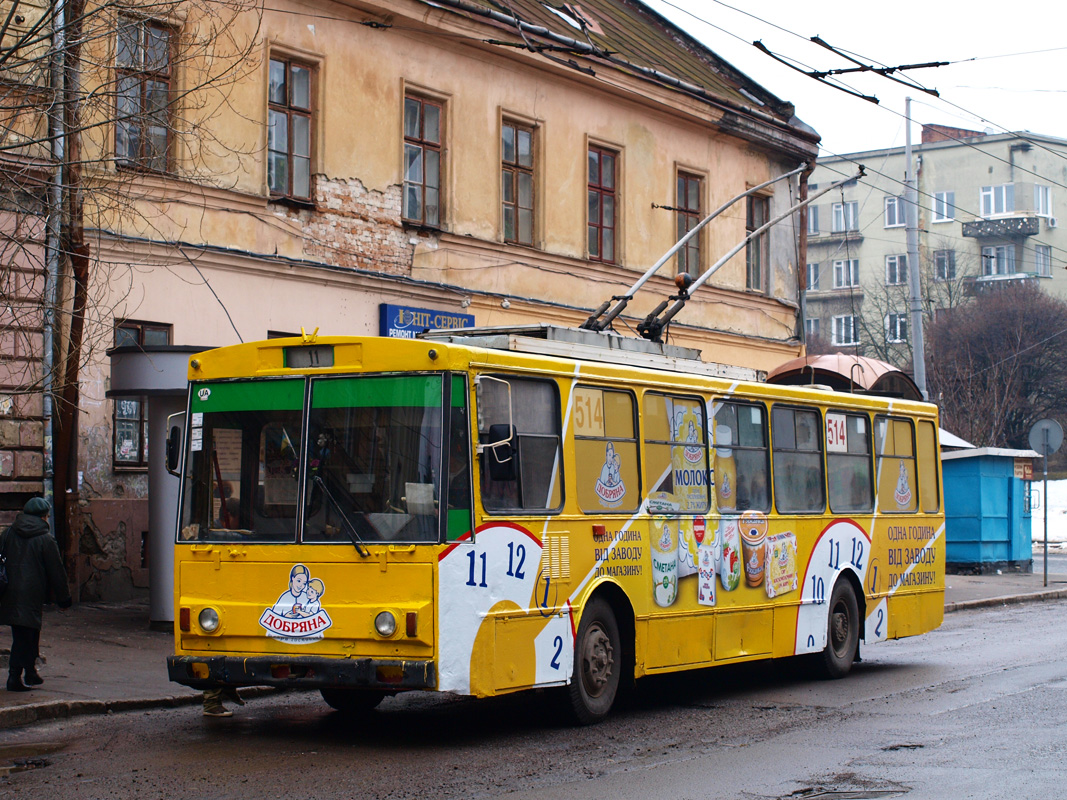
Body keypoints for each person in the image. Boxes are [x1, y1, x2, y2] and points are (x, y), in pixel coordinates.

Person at [0, 497, 72, 692]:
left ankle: (30, 672)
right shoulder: (46, 539)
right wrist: (64, 598)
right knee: (25, 636)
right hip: (31, 593)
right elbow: (56, 571)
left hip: (8, 591)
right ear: (43, 517)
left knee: (27, 633)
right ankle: (14, 677)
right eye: (47, 516)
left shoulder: (8, 534)